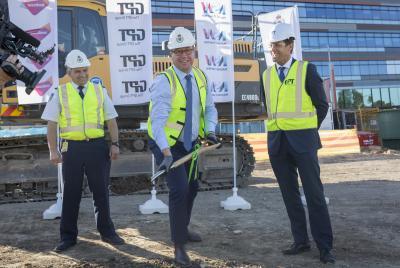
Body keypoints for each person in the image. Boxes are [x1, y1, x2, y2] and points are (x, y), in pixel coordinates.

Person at [262, 23, 335, 264]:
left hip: (303, 143)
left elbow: (322, 106)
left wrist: (307, 131)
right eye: (272, 45)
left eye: (278, 45)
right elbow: (268, 109)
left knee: (314, 195)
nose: (274, 49)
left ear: (290, 46)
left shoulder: (307, 70)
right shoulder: (266, 75)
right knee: (289, 196)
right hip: (277, 144)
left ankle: (325, 247)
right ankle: (300, 241)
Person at [147, 27, 218, 265]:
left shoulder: (201, 76)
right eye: (178, 51)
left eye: (187, 50)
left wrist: (210, 131)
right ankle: (179, 247)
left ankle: (183, 229)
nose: (184, 55)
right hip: (166, 144)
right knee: (179, 190)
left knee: (193, 188)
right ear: (170, 55)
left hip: (191, 143)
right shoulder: (163, 82)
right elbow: (157, 123)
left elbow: (209, 109)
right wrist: (165, 154)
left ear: (194, 51)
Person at [41, 49, 124, 252]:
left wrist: (115, 143)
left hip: (97, 147)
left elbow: (111, 120)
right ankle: (68, 237)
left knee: (101, 192)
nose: (82, 75)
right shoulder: (60, 93)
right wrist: (53, 150)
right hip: (72, 149)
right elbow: (51, 125)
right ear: (69, 72)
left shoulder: (99, 91)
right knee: (71, 194)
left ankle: (107, 232)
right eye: (77, 71)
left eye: (85, 70)